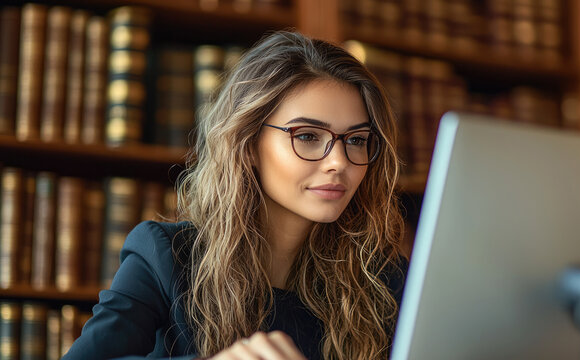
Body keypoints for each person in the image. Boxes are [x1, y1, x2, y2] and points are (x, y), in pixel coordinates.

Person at [62, 31, 408, 360]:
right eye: (307, 136)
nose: (338, 161)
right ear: (248, 144)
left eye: (357, 140)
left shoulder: (384, 279)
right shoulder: (165, 256)